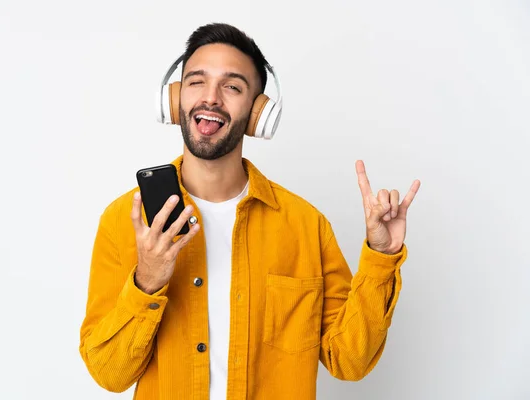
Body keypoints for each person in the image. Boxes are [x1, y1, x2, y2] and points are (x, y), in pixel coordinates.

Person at [79, 22, 420, 400]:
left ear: (259, 112)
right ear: (174, 99)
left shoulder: (306, 226)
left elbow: (349, 360)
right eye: (196, 81)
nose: (211, 98)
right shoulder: (125, 220)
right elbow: (109, 374)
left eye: (232, 86)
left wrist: (382, 258)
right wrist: (147, 281)